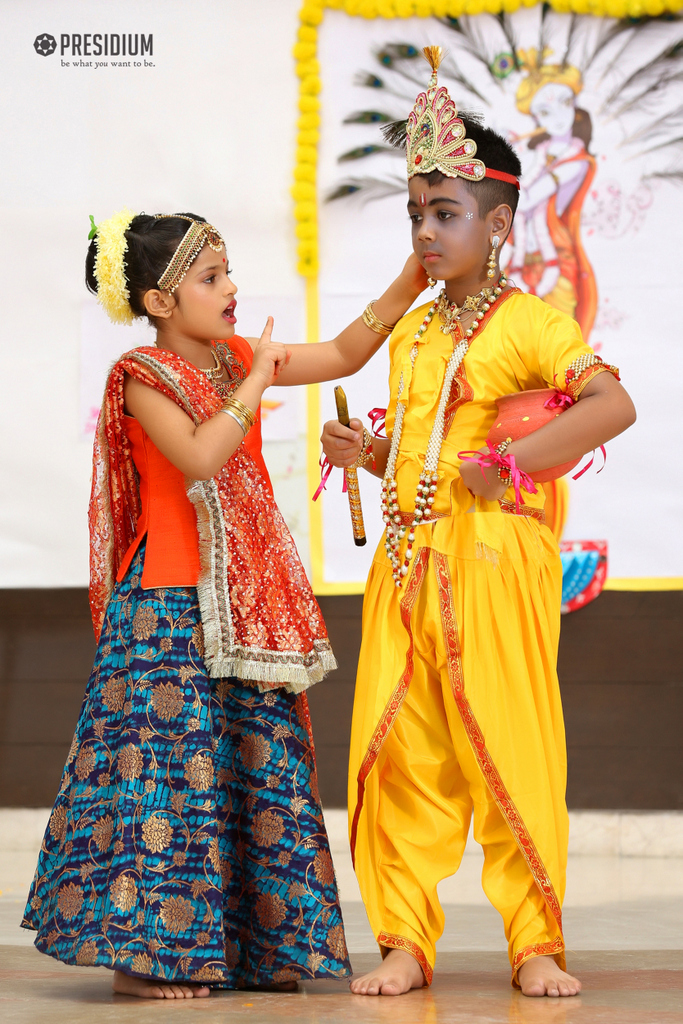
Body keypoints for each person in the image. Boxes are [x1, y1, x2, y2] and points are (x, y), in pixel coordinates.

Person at [21, 209, 426, 998]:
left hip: (242, 612)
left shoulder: (235, 356)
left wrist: (414, 275)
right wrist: (255, 378)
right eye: (210, 278)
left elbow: (346, 350)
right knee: (164, 783)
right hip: (166, 609)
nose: (231, 288)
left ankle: (251, 949)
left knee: (254, 769)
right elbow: (203, 457)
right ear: (161, 303)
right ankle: (142, 963)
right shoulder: (142, 377)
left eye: (228, 271)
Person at [321, 48, 635, 999]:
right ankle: (404, 941)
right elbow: (422, 453)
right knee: (402, 752)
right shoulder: (412, 333)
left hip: (495, 565)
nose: (425, 232)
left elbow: (610, 406)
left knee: (505, 743)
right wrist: (367, 456)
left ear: (497, 225)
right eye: (416, 214)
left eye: (445, 214)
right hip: (411, 566)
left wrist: (509, 465)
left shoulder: (530, 323)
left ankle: (533, 941)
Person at [507, 49, 597, 340]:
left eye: (565, 102)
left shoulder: (577, 161)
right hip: (521, 258)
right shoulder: (540, 155)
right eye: (545, 112)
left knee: (559, 348)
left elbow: (525, 201)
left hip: (556, 260)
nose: (558, 117)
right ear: (536, 117)